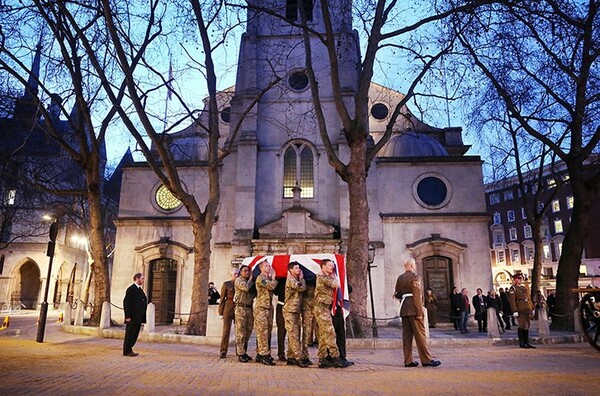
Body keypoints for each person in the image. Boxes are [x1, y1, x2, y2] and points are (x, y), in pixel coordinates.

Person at [394, 257, 441, 368]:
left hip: (404, 308)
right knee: (420, 335)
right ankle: (426, 360)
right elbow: (416, 296)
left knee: (407, 336)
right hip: (414, 309)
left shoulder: (400, 278)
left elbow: (397, 294)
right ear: (411, 265)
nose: (415, 266)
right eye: (414, 264)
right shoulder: (415, 277)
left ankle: (408, 360)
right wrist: (419, 312)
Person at [313, 258, 351, 368]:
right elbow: (337, 284)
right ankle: (336, 357)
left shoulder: (325, 276)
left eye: (332, 265)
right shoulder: (322, 276)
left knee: (324, 334)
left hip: (324, 308)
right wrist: (335, 276)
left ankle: (322, 358)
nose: (332, 267)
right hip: (321, 309)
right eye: (329, 265)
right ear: (323, 267)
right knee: (330, 333)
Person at [283, 261, 308, 367]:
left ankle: (291, 356)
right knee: (294, 334)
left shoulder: (295, 279)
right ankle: (298, 358)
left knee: (294, 334)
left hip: (295, 310)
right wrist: (302, 278)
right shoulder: (291, 280)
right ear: (290, 270)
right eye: (296, 268)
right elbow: (302, 287)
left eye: (299, 268)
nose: (299, 270)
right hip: (290, 311)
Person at [254, 259, 278, 365]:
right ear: (261, 268)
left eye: (269, 266)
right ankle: (263, 354)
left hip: (268, 307)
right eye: (266, 266)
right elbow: (271, 286)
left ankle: (261, 352)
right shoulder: (260, 278)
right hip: (261, 308)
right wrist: (273, 278)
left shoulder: (267, 278)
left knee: (267, 331)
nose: (269, 268)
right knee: (262, 331)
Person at [508, 273, 536, 349]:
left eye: (521, 279)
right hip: (520, 308)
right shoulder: (513, 288)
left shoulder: (523, 288)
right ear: (514, 280)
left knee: (527, 325)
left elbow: (528, 298)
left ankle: (526, 342)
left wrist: (532, 308)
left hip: (526, 308)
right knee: (522, 325)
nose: (520, 280)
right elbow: (512, 300)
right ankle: (522, 343)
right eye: (518, 279)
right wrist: (514, 310)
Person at [123, 272, 147, 357]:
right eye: (142, 278)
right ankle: (127, 350)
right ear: (137, 279)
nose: (143, 280)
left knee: (134, 334)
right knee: (130, 333)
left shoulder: (139, 289)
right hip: (132, 317)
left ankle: (130, 349)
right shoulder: (131, 289)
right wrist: (128, 316)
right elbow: (127, 303)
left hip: (138, 317)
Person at [234, 265, 255, 363]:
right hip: (240, 308)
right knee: (240, 332)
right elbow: (246, 288)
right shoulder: (239, 280)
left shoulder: (250, 283)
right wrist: (251, 278)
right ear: (241, 272)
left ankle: (244, 351)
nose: (247, 272)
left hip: (249, 308)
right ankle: (240, 353)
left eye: (249, 271)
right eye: (245, 271)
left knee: (248, 331)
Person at [218, 269, 238, 358]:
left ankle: (240, 351)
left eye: (237, 273)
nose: (236, 275)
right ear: (231, 274)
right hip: (228, 308)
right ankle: (223, 350)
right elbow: (222, 298)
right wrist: (221, 312)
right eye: (234, 273)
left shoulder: (240, 284)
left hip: (238, 308)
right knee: (226, 331)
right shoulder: (227, 284)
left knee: (239, 331)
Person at [301, 276, 317, 366]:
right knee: (305, 333)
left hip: (317, 309)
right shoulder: (303, 282)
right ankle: (304, 356)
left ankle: (324, 356)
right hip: (307, 309)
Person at [274, 280, 287, 362]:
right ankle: (281, 353)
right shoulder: (280, 281)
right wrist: (274, 278)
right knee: (281, 331)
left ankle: (292, 354)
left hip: (292, 308)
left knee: (293, 332)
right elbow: (275, 291)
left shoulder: (297, 280)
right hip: (281, 306)